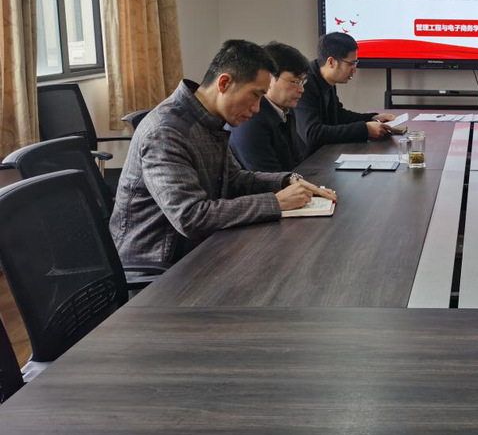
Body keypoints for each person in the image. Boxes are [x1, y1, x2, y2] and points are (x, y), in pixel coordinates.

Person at [111, 40, 336, 273]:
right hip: (161, 268)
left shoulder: (208, 120)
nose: (257, 108)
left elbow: (235, 178)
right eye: (255, 95)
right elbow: (190, 217)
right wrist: (276, 202)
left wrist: (287, 181)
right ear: (224, 83)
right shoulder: (166, 132)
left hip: (202, 246)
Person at [295, 32, 396, 152]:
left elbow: (339, 115)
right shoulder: (304, 84)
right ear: (331, 62)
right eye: (351, 64)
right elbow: (312, 134)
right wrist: (365, 130)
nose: (354, 69)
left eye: (356, 63)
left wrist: (372, 118)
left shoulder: (326, 79)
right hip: (308, 160)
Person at [228, 42, 310, 172]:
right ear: (269, 78)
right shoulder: (251, 118)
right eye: (295, 81)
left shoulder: (285, 109)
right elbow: (268, 177)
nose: (301, 89)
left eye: (302, 81)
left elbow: (297, 162)